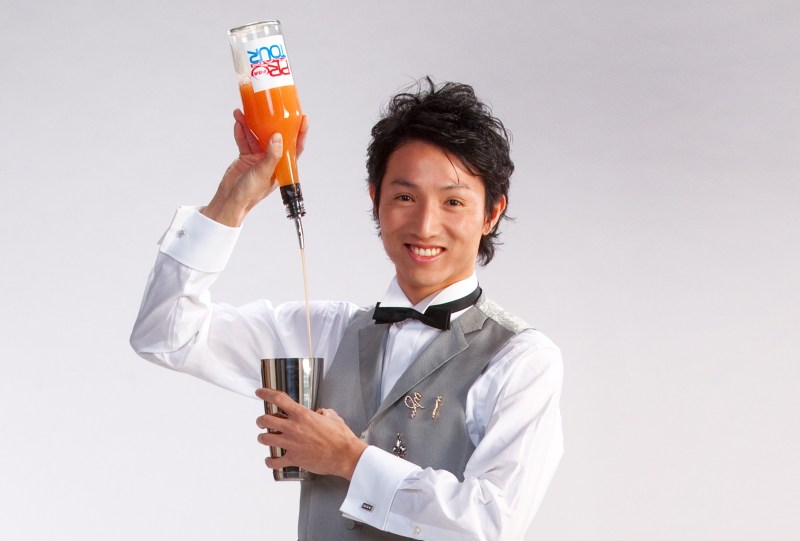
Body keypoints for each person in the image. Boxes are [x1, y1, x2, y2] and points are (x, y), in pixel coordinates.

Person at [130, 77, 563, 540]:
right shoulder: (325, 331)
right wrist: (231, 200)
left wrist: (349, 460)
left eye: (453, 201)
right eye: (405, 197)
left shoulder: (521, 358)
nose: (425, 224)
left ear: (492, 213)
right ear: (375, 198)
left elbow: (492, 525)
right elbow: (165, 335)